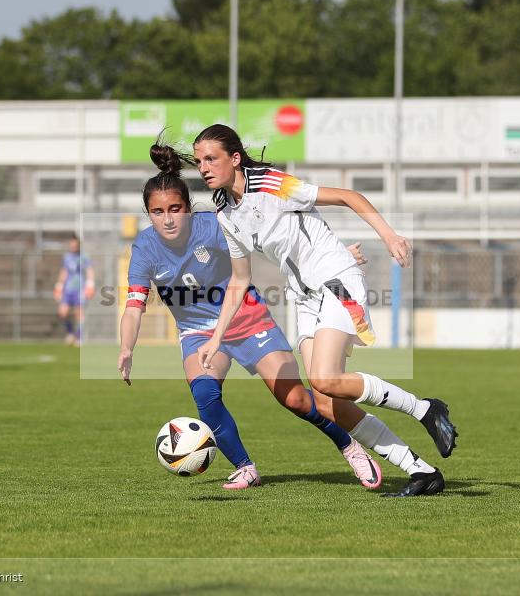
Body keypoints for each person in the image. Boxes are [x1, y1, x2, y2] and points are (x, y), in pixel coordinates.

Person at [119, 143, 406, 490]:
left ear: (189, 208)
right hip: (197, 332)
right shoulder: (145, 249)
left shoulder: (212, 226)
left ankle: (349, 445)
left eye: (175, 209)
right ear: (148, 213)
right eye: (157, 211)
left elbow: (270, 247)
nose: (167, 218)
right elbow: (134, 305)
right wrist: (127, 349)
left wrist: (334, 255)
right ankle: (245, 468)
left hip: (247, 318)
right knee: (205, 396)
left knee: (296, 399)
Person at [193, 124, 458, 497]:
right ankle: (420, 471)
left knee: (324, 378)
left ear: (235, 159)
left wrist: (390, 236)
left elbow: (350, 196)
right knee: (325, 402)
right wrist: (216, 338)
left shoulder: (272, 184)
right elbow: (240, 280)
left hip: (335, 282)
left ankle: (424, 408)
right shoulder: (226, 214)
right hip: (303, 298)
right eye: (198, 161)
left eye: (211, 159)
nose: (203, 167)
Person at [53, 235, 96, 346]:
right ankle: (71, 333)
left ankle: (79, 337)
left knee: (79, 313)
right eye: (71, 245)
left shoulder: (84, 256)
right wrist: (59, 285)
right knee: (63, 313)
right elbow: (64, 271)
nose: (73, 247)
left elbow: (89, 270)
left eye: (75, 245)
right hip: (68, 289)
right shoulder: (67, 257)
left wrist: (90, 285)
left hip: (79, 289)